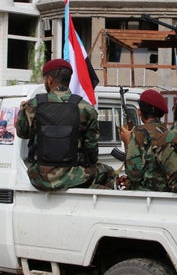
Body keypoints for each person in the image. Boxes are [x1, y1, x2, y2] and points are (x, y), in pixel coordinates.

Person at [16, 59, 114, 191]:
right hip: (74, 177)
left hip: (39, 178)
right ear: (68, 79)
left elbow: (22, 133)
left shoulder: (33, 105)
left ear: (49, 80)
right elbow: (92, 151)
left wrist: (22, 110)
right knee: (108, 172)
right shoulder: (85, 108)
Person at [119, 89, 169, 190]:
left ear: (139, 112)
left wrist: (128, 142)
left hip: (146, 194)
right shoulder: (168, 132)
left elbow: (134, 173)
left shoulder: (140, 132)